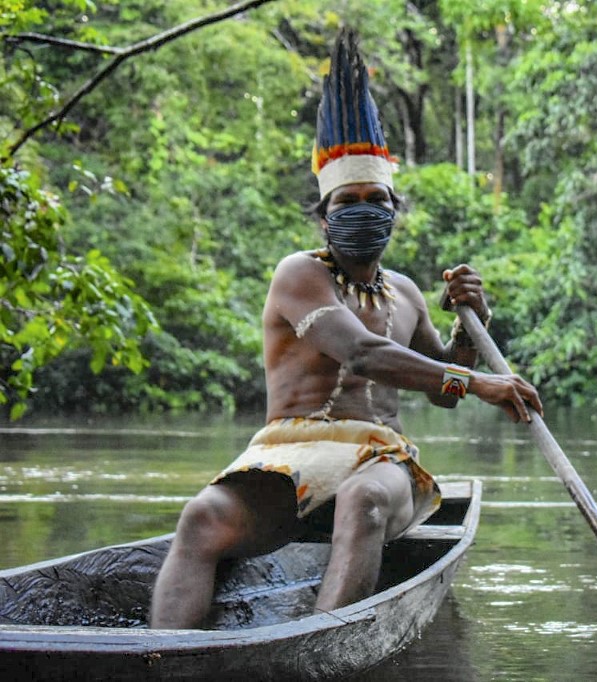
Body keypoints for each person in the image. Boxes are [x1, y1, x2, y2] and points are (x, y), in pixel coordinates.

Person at [148, 29, 542, 629]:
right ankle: (165, 659)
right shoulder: (298, 274)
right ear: (325, 217)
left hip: (381, 460)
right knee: (201, 517)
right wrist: (480, 381)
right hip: (287, 452)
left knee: (363, 498)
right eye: (347, 200)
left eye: (375, 198)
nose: (362, 209)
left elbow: (440, 389)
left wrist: (473, 322)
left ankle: (316, 647)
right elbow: (360, 354)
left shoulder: (406, 291)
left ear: (393, 209)